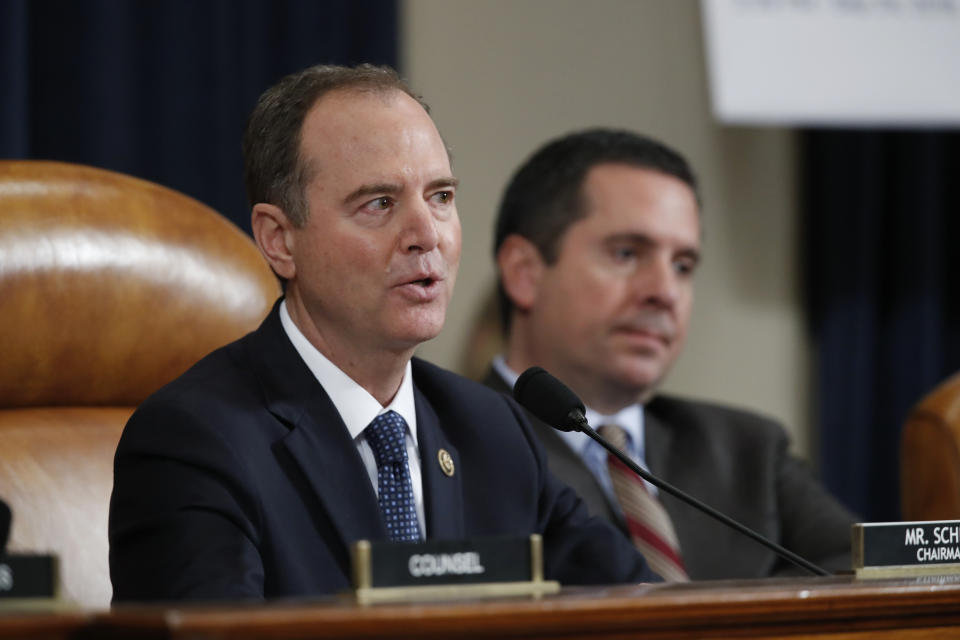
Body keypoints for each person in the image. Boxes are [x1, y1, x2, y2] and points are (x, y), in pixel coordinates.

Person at [108, 66, 658, 602]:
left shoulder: (491, 431)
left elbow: (647, 615)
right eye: (379, 203)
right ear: (279, 240)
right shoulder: (196, 441)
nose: (427, 236)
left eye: (441, 197)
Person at [486, 128, 856, 581]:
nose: (664, 292)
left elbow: (870, 576)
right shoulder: (450, 441)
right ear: (525, 272)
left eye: (682, 266)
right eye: (626, 253)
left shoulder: (749, 450)